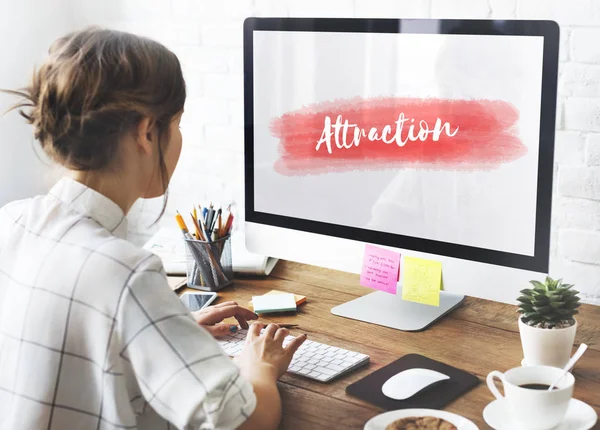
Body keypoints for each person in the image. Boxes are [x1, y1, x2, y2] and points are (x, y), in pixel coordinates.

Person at [0, 27, 306, 430]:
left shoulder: (11, 221)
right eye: (176, 124)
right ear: (147, 132)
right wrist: (259, 366)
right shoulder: (126, 273)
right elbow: (246, 422)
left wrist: (164, 329)